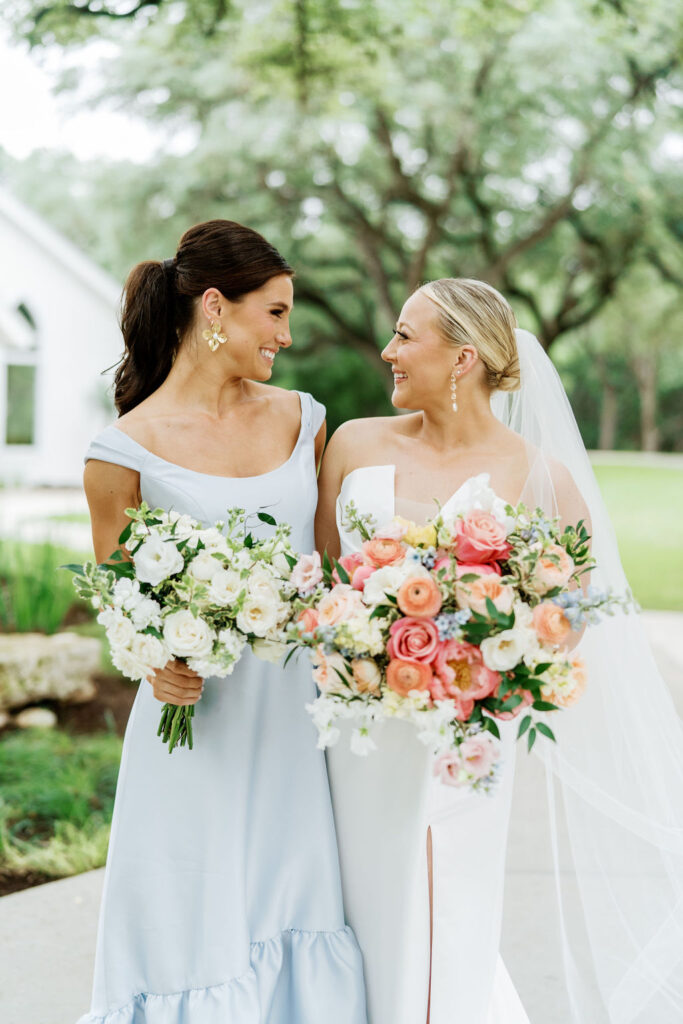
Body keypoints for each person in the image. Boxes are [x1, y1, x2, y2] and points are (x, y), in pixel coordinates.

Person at [315, 277, 683, 1023]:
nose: (387, 351)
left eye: (404, 336)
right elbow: (324, 580)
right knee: (360, 898)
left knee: (446, 901)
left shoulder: (536, 474)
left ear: (462, 358)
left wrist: (490, 661)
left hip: (463, 734)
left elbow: (569, 611)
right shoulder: (352, 443)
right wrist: (366, 648)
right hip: (353, 724)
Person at [78, 219, 366, 1023]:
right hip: (192, 721)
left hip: (290, 717)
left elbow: (332, 567)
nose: (285, 332)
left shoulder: (303, 421)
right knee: (189, 914)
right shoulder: (123, 450)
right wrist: (153, 660)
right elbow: (119, 596)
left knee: (292, 894)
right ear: (214, 306)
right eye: (273, 312)